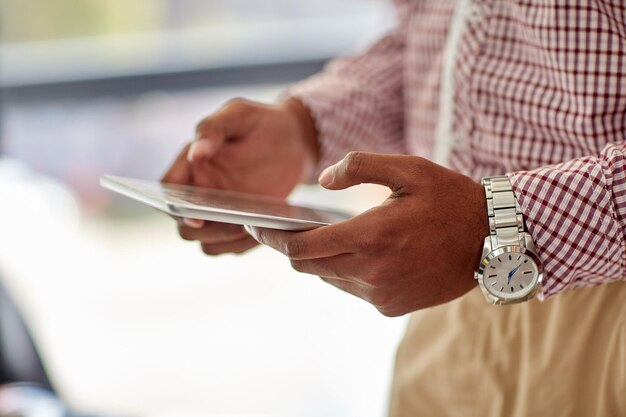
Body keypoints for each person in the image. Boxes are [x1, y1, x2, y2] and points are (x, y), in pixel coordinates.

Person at [162, 1, 626, 415]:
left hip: (607, 321)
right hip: (448, 308)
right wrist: (304, 129)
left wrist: (497, 223)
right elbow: (425, 42)